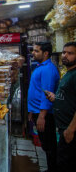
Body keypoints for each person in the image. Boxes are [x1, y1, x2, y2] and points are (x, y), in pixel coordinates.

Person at [27, 42, 59, 172]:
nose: (33, 53)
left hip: (44, 115)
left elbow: (47, 94)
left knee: (49, 146)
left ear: (45, 53)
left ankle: (53, 169)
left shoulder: (48, 70)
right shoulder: (41, 66)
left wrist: (42, 116)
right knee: (46, 144)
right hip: (36, 111)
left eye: (36, 51)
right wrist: (31, 111)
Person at [46, 42, 76, 171]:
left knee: (65, 164)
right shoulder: (68, 73)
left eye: (70, 53)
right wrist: (55, 97)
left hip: (70, 129)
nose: (65, 56)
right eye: (64, 52)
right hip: (64, 127)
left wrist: (71, 129)